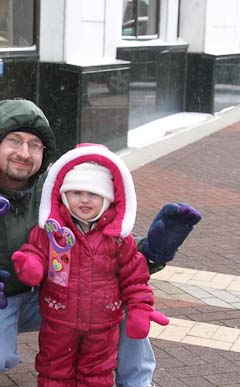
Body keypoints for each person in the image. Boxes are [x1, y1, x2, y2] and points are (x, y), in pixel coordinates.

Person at [0, 98, 201, 387]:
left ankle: (137, 381)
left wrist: (152, 250)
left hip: (52, 293)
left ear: (44, 152)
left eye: (34, 145)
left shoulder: (57, 189)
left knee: (117, 297)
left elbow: (103, 243)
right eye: (14, 140)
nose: (23, 153)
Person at [11, 143, 169, 386]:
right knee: (54, 372)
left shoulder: (118, 240)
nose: (84, 200)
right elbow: (36, 251)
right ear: (63, 195)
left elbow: (134, 278)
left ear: (108, 200)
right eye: (76, 193)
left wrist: (139, 308)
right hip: (58, 321)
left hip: (103, 327)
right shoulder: (52, 232)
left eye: (94, 195)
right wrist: (31, 264)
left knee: (96, 375)